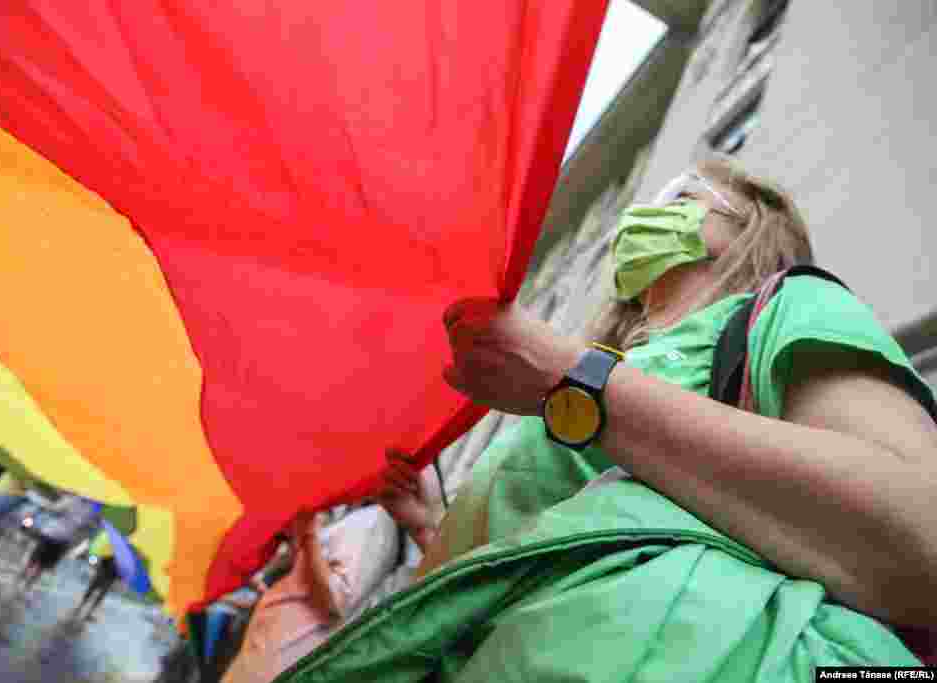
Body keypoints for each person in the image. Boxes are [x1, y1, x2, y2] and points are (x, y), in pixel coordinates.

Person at [273, 156, 937, 683]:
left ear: (749, 228)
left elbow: (922, 534)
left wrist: (571, 379)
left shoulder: (787, 305)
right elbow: (553, 549)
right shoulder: (602, 364)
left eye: (686, 197)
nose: (651, 211)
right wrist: (430, 524)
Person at [222, 502, 400, 683]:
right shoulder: (347, 515)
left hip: (280, 663)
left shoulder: (373, 521)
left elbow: (336, 603)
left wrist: (309, 533)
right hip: (262, 656)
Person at [10, 493, 101, 601]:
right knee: (32, 561)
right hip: (51, 534)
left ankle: (25, 588)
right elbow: (54, 510)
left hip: (64, 540)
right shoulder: (71, 500)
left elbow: (89, 527)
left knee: (42, 567)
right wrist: (58, 508)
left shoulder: (93, 511)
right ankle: (14, 584)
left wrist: (87, 527)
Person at [70, 529, 120, 622]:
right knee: (95, 590)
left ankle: (86, 610)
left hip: (111, 572)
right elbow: (101, 552)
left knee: (98, 592)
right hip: (107, 570)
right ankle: (81, 608)